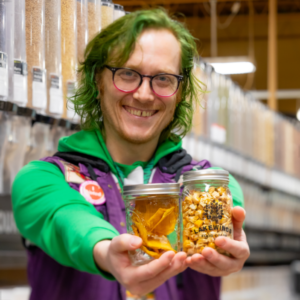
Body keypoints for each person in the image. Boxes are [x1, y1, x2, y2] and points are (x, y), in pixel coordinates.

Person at [12, 9, 249, 300]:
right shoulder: (41, 180)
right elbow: (68, 220)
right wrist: (107, 251)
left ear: (179, 92)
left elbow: (229, 210)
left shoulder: (212, 186)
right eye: (127, 74)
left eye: (163, 79)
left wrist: (228, 247)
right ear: (98, 79)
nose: (144, 94)